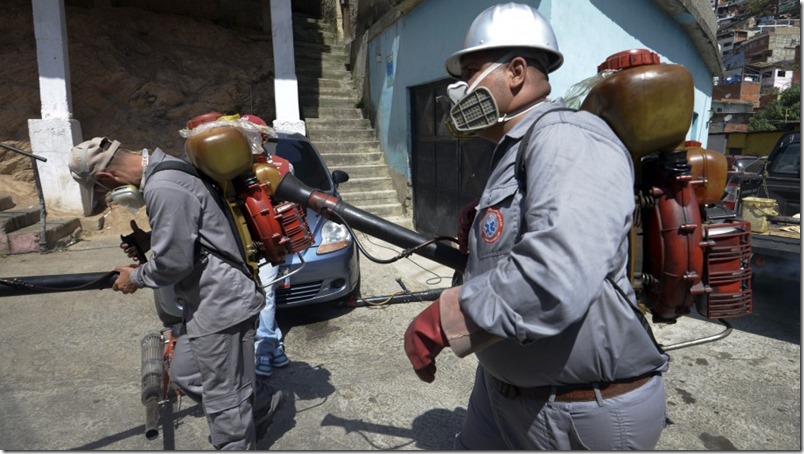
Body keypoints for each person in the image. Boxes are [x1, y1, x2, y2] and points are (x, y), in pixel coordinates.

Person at [403, 3, 669, 450]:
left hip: (578, 413)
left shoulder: (567, 136)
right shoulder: (515, 149)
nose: (459, 90)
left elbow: (556, 274)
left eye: (470, 73)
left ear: (516, 72)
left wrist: (445, 318)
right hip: (501, 392)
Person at [68, 134, 283, 450]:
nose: (108, 193)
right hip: (208, 300)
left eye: (103, 189)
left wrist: (135, 277)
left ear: (104, 177)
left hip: (220, 303)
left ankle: (237, 438)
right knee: (185, 374)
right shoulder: (170, 167)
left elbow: (174, 263)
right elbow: (201, 230)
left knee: (224, 402)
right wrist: (151, 241)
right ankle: (262, 402)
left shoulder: (162, 187)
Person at [239, 114, 291, 377]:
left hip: (269, 244)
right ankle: (274, 344)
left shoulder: (282, 167)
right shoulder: (228, 168)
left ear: (264, 138)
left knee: (266, 296)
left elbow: (292, 209)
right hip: (237, 243)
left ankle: (264, 348)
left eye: (253, 135)